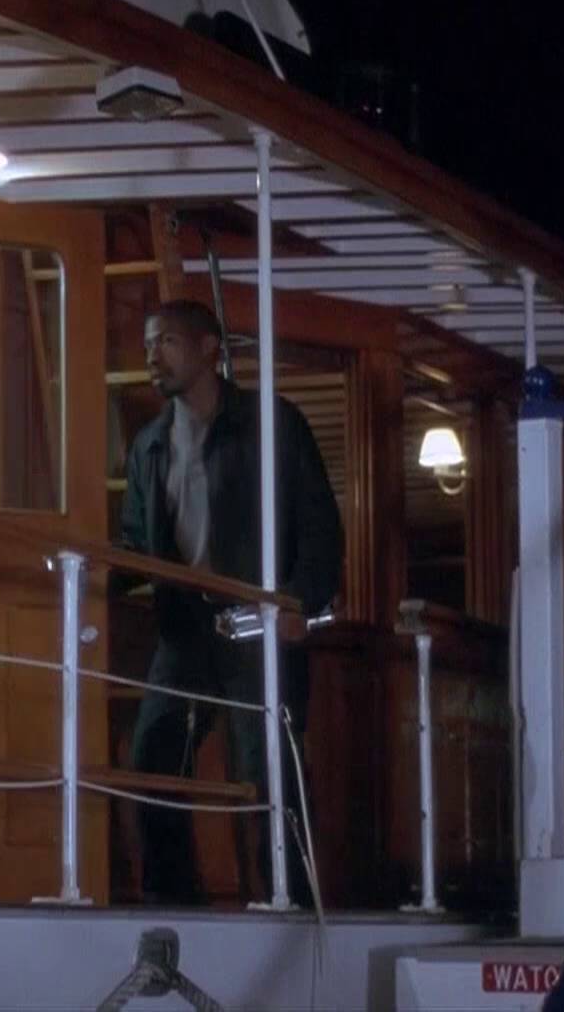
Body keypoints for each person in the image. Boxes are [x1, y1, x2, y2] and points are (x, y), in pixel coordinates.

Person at [116, 298, 342, 906]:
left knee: (268, 770)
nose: (152, 356)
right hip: (185, 627)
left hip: (256, 624)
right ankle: (173, 903)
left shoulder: (272, 424)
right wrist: (83, 581)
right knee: (154, 757)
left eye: (166, 341)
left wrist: (298, 603)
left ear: (209, 347)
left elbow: (319, 524)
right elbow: (134, 539)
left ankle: (292, 903)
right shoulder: (150, 445)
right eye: (148, 344)